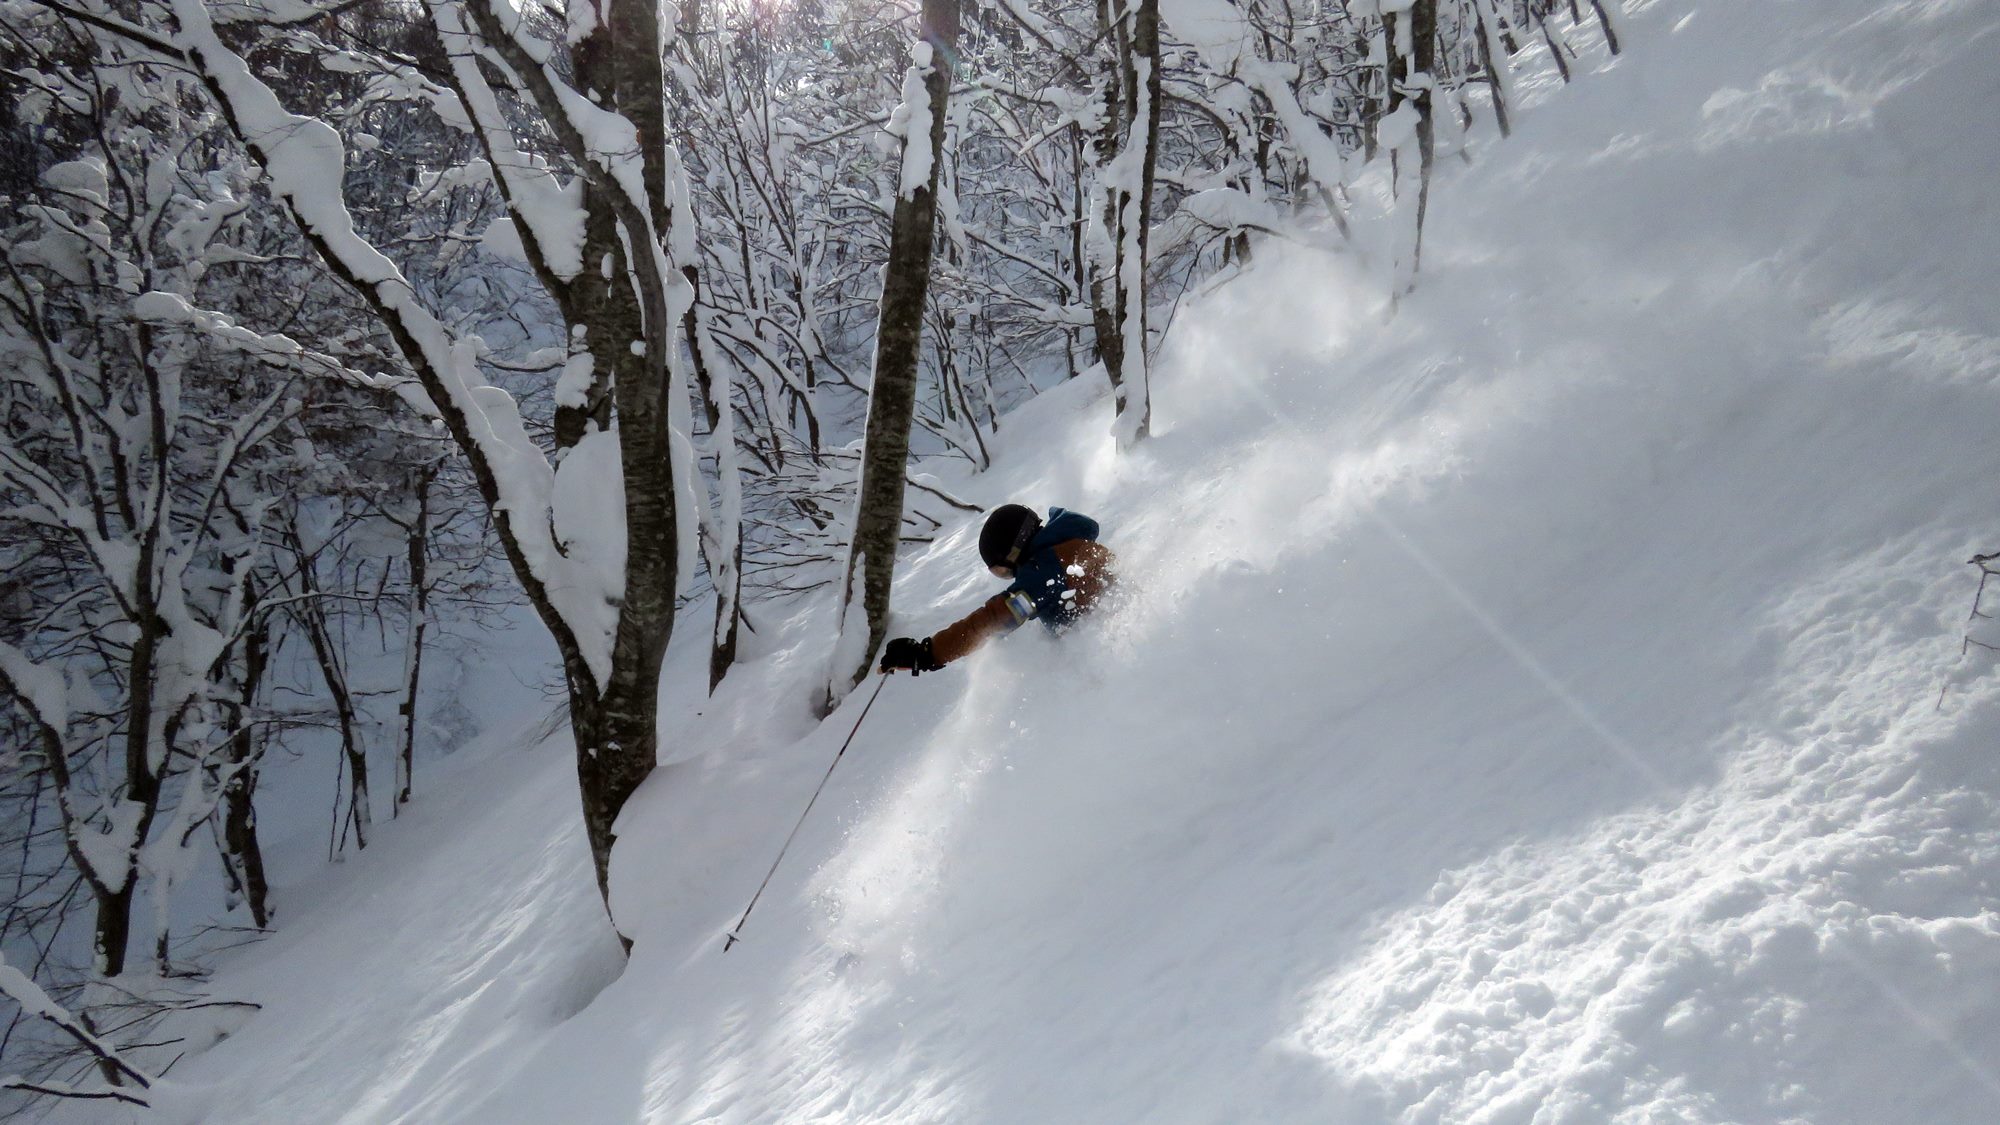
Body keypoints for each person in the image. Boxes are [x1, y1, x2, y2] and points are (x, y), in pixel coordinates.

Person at [878, 504, 1117, 675]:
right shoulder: (1065, 550)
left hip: (1105, 660)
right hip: (1107, 642)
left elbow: (999, 616)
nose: (1010, 576)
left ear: (1015, 551)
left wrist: (929, 653)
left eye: (1004, 570)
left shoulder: (1044, 571)